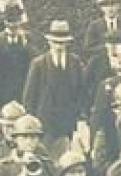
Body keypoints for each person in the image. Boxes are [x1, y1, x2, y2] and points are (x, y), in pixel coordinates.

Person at [22, 21, 90, 159]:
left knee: (67, 159)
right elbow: (29, 97)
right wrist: (33, 124)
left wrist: (81, 118)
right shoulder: (39, 64)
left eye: (62, 43)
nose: (59, 46)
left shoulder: (75, 63)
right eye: (56, 42)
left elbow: (82, 93)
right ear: (50, 43)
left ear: (67, 43)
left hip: (68, 123)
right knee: (45, 157)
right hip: (45, 124)